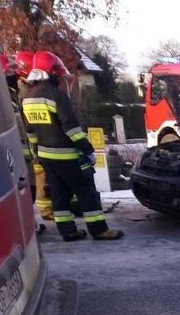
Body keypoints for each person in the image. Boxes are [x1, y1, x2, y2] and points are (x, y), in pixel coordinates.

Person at [22, 51, 123, 241]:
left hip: (46, 156)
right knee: (86, 191)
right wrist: (87, 148)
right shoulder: (56, 96)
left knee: (59, 194)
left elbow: (30, 132)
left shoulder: (27, 97)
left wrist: (37, 153)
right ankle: (99, 229)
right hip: (67, 155)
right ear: (51, 72)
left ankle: (68, 231)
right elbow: (71, 128)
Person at [0, 52, 45, 234]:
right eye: (10, 70)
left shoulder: (10, 94)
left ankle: (29, 225)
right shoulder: (1, 97)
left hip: (23, 155)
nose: (15, 74)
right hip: (12, 157)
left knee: (28, 192)